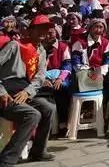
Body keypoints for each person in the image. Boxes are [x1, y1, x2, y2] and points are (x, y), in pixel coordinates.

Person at [0, 15, 56, 165]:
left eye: (45, 29)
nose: (43, 32)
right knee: (32, 115)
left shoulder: (41, 51)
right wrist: (1, 92)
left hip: (23, 91)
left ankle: (38, 151)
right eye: (39, 29)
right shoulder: (15, 46)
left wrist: (27, 92)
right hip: (6, 92)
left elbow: (39, 77)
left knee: (49, 108)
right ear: (30, 30)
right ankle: (6, 160)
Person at [41, 23, 71, 135]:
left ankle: (62, 122)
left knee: (60, 89)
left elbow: (67, 65)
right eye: (46, 33)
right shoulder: (40, 47)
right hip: (43, 77)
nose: (48, 36)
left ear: (56, 33)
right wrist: (43, 79)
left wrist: (60, 79)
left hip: (60, 77)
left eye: (51, 33)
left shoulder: (63, 47)